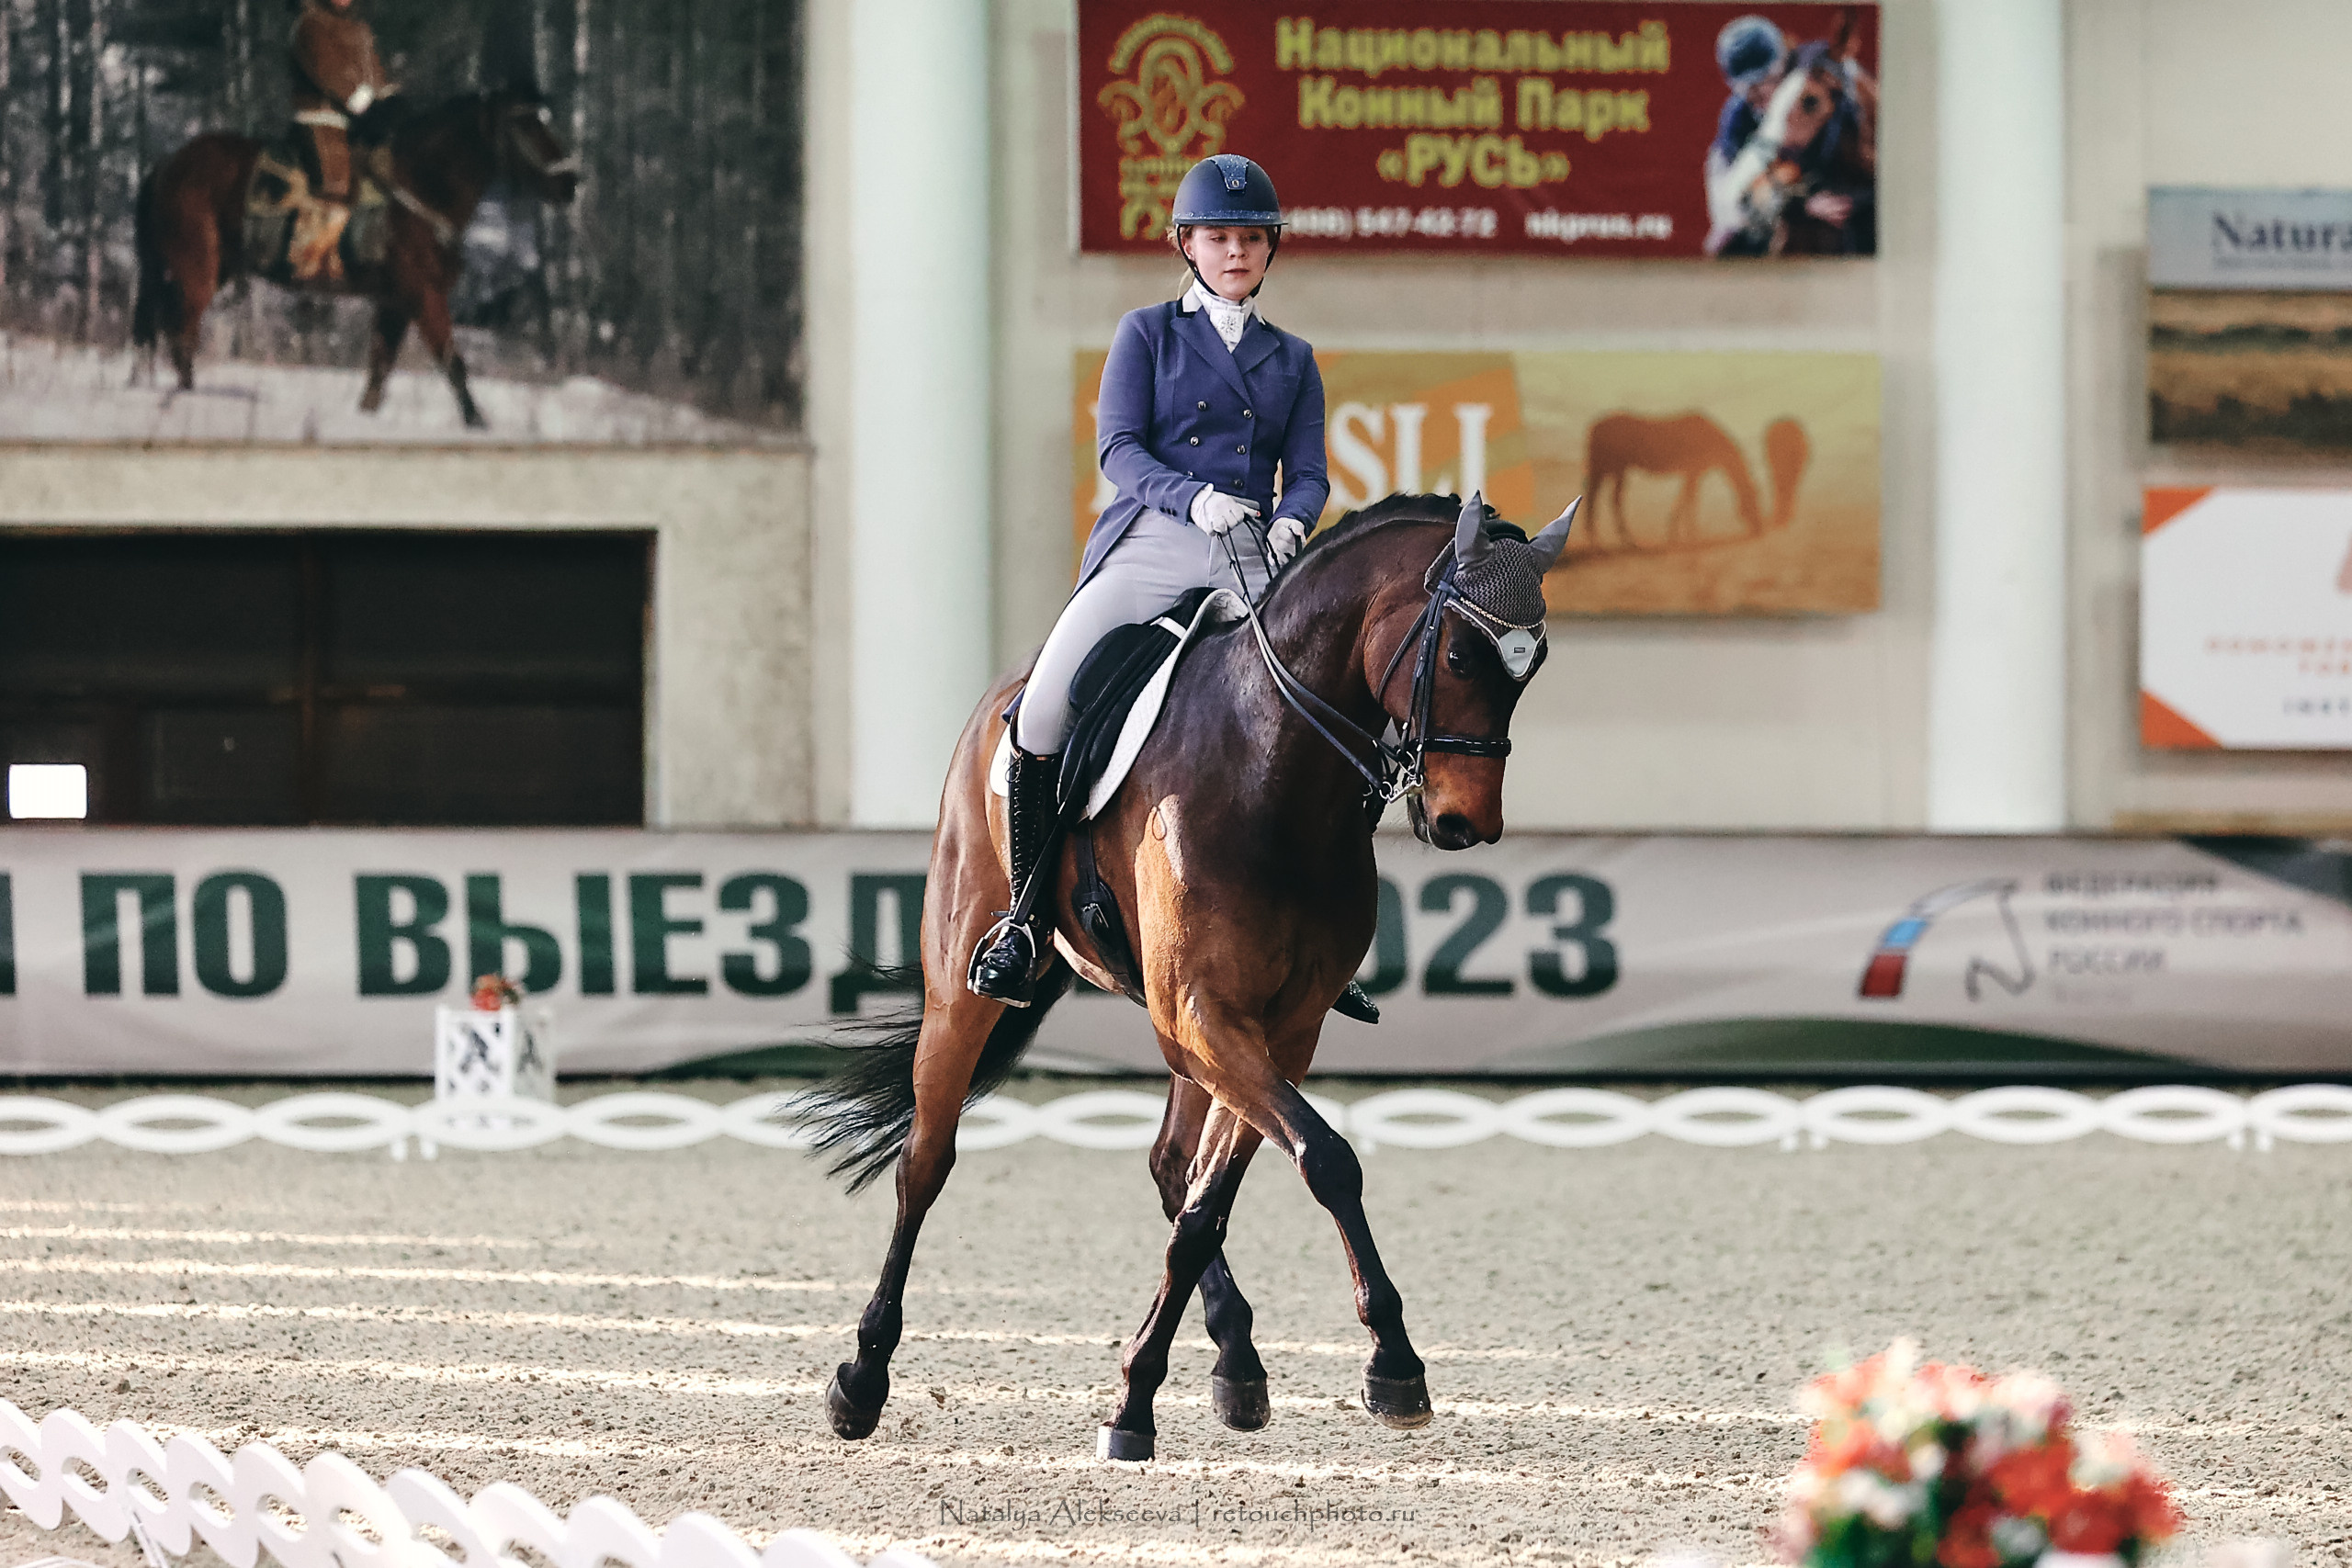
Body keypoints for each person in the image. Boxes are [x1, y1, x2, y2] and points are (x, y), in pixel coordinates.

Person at [968, 152, 1331, 1006]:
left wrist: (1291, 519)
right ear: (1187, 245)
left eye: (1250, 238)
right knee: (1046, 703)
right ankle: (1023, 917)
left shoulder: (1294, 359)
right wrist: (1193, 496)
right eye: (1219, 237)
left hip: (1248, 553)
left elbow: (1307, 470)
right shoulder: (1147, 334)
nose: (1235, 252)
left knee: (1310, 719)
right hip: (1157, 539)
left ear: (1268, 250)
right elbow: (1119, 450)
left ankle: (1309, 916)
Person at [1702, 15, 1876, 258]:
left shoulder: (1814, 72)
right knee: (1726, 238)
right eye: (1749, 91)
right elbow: (1744, 199)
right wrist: (1803, 204)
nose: (1760, 98)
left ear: (1784, 64)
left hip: (1847, 188)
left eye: (1767, 82)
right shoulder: (1737, 120)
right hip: (1770, 203)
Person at [287, 0, 397, 280]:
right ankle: (310, 259)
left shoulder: (359, 29)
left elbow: (373, 71)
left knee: (383, 177)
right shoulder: (311, 24)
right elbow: (328, 69)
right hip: (321, 117)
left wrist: (387, 99)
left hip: (359, 122)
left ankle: (370, 254)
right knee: (334, 184)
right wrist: (360, 99)